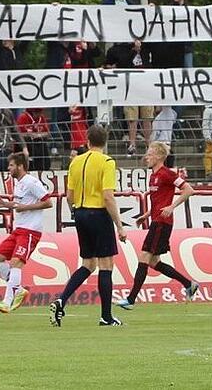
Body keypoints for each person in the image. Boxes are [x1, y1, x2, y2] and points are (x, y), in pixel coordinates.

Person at [50, 125, 127, 327]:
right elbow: (108, 197)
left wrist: (76, 212)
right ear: (106, 141)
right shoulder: (107, 162)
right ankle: (106, 316)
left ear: (87, 140)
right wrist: (119, 226)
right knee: (106, 265)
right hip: (98, 213)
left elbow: (69, 195)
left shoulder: (76, 161)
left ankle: (61, 300)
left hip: (80, 213)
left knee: (88, 264)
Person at [115, 142, 199, 310]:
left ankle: (131, 299)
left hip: (162, 223)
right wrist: (146, 215)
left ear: (160, 156)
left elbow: (189, 190)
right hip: (156, 220)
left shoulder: (167, 174)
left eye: (151, 153)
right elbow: (158, 200)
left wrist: (172, 207)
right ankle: (189, 284)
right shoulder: (153, 176)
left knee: (144, 257)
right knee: (154, 262)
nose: (147, 156)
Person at [0, 152, 53, 313]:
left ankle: (7, 301)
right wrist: (7, 204)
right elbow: (20, 203)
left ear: (20, 166)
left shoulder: (32, 182)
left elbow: (48, 202)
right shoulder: (18, 183)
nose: (8, 168)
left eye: (11, 165)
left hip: (31, 230)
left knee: (16, 263)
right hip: (19, 229)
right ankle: (18, 289)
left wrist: (25, 208)